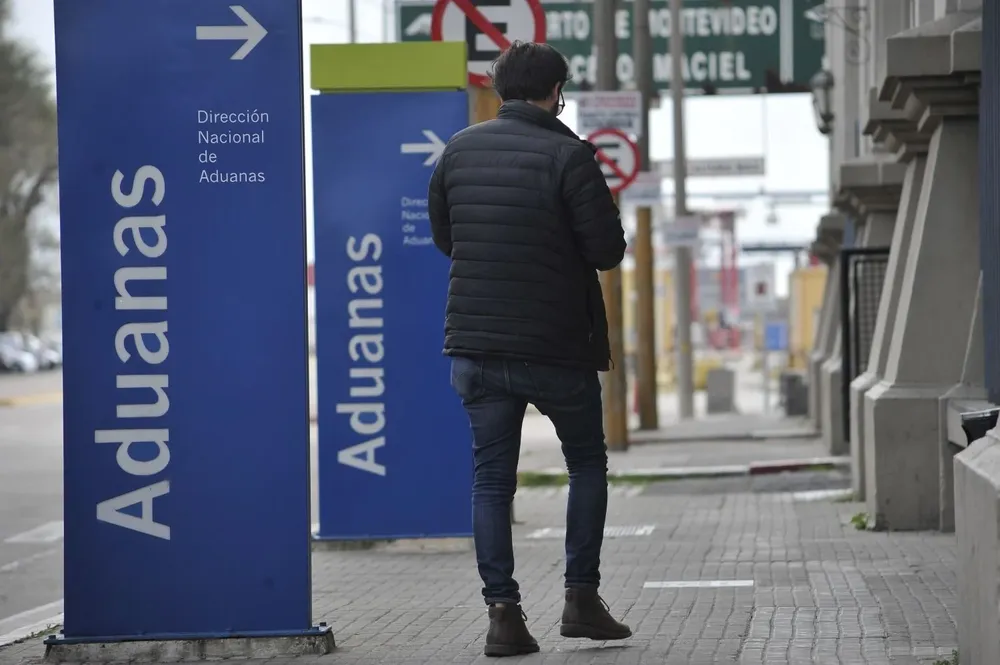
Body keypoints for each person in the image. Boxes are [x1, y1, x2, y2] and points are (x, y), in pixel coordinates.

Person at [427, 41, 631, 658]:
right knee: (586, 464)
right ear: (556, 92)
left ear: (499, 89)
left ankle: (504, 616)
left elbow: (446, 238)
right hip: (557, 345)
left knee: (492, 481)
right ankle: (581, 599)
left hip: (479, 344)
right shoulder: (570, 156)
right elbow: (607, 251)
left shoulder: (457, 151)